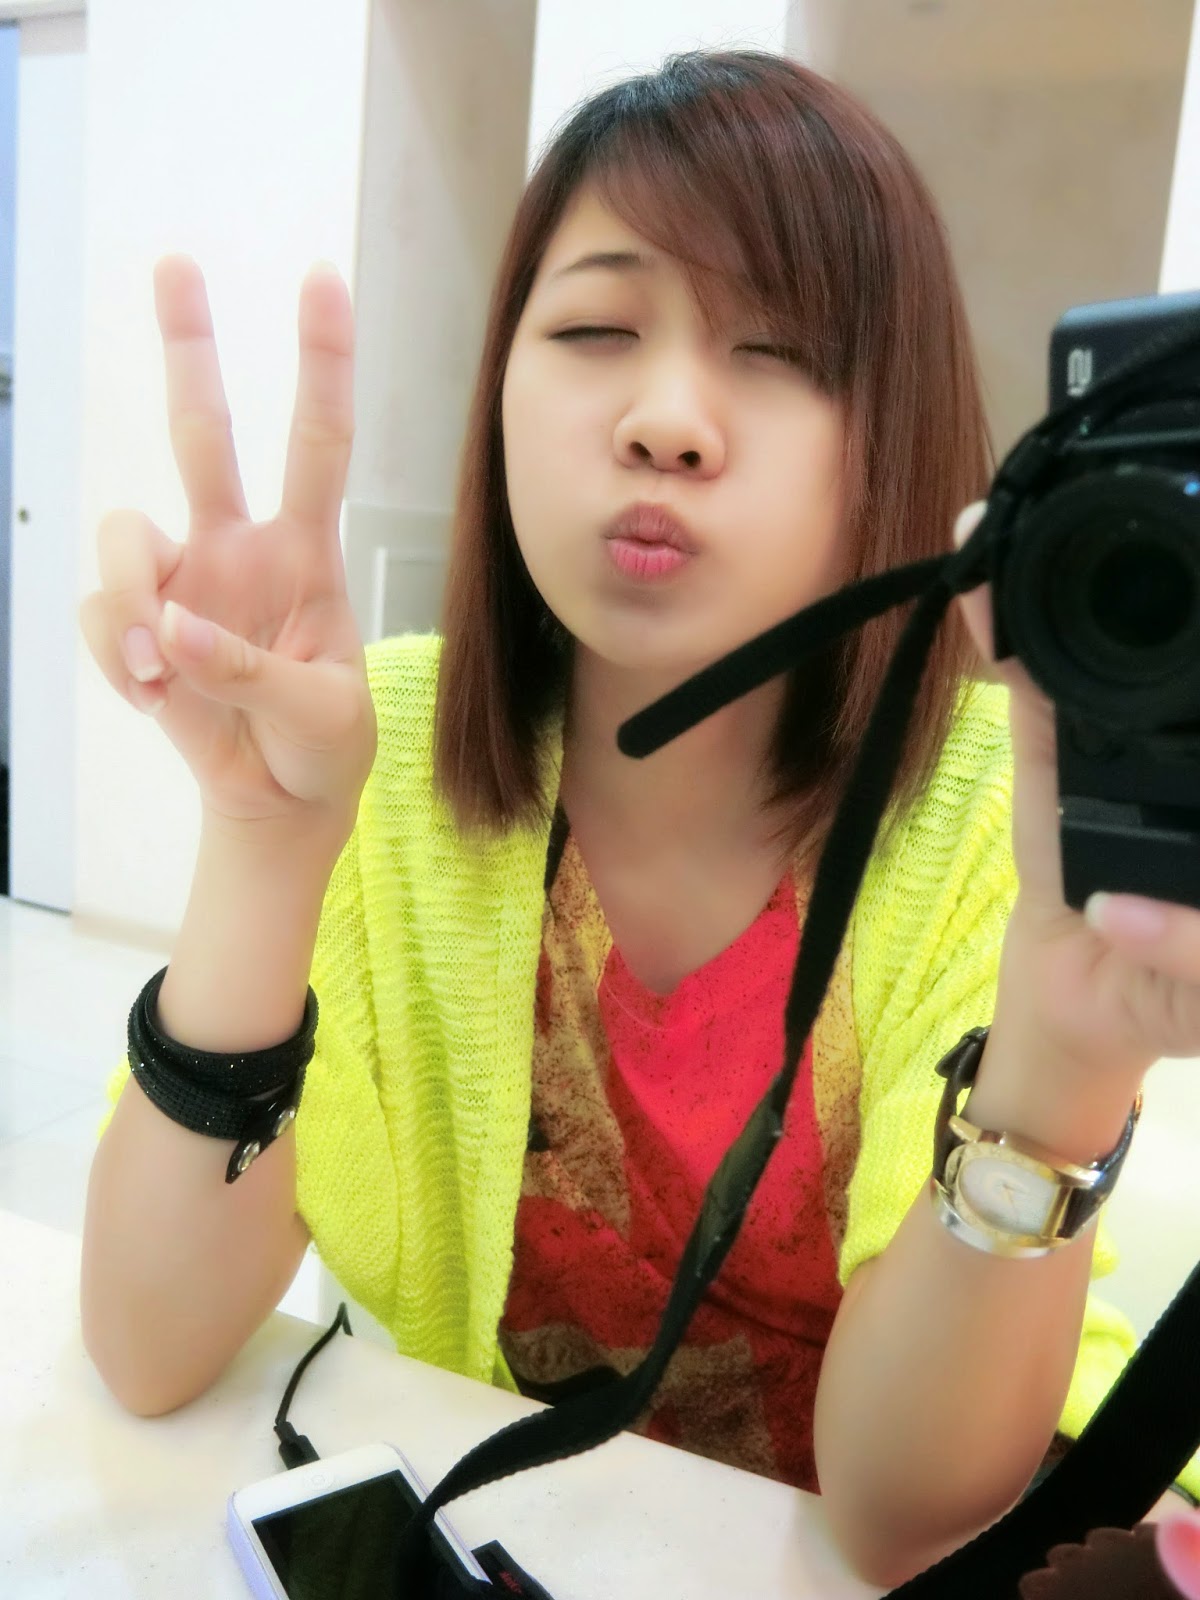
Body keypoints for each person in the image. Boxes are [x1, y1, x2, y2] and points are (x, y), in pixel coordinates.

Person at [78, 49, 1200, 1587]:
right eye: (597, 330)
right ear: (501, 394)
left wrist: (1061, 1067)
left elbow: (898, 1523)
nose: (668, 420)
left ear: (892, 432)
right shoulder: (371, 743)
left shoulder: (998, 824)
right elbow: (145, 1351)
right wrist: (263, 840)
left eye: (779, 349)